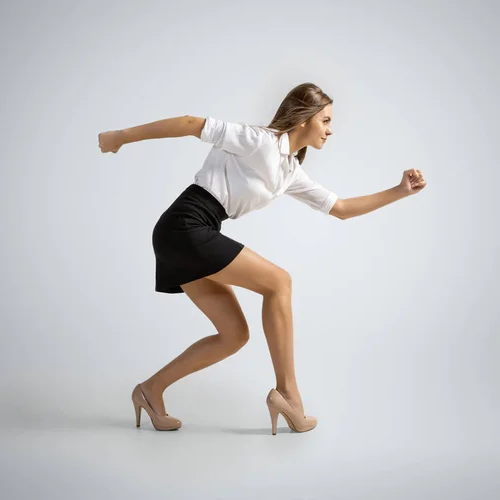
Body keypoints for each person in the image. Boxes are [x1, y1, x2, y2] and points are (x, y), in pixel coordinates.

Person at [98, 83, 427, 435]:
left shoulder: (288, 171)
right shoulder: (259, 141)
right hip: (185, 225)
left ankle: (150, 390)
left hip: (195, 231)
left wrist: (400, 191)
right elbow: (191, 123)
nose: (331, 130)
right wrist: (120, 136)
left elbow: (342, 209)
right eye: (326, 120)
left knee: (234, 335)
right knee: (279, 281)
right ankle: (288, 394)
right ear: (304, 119)